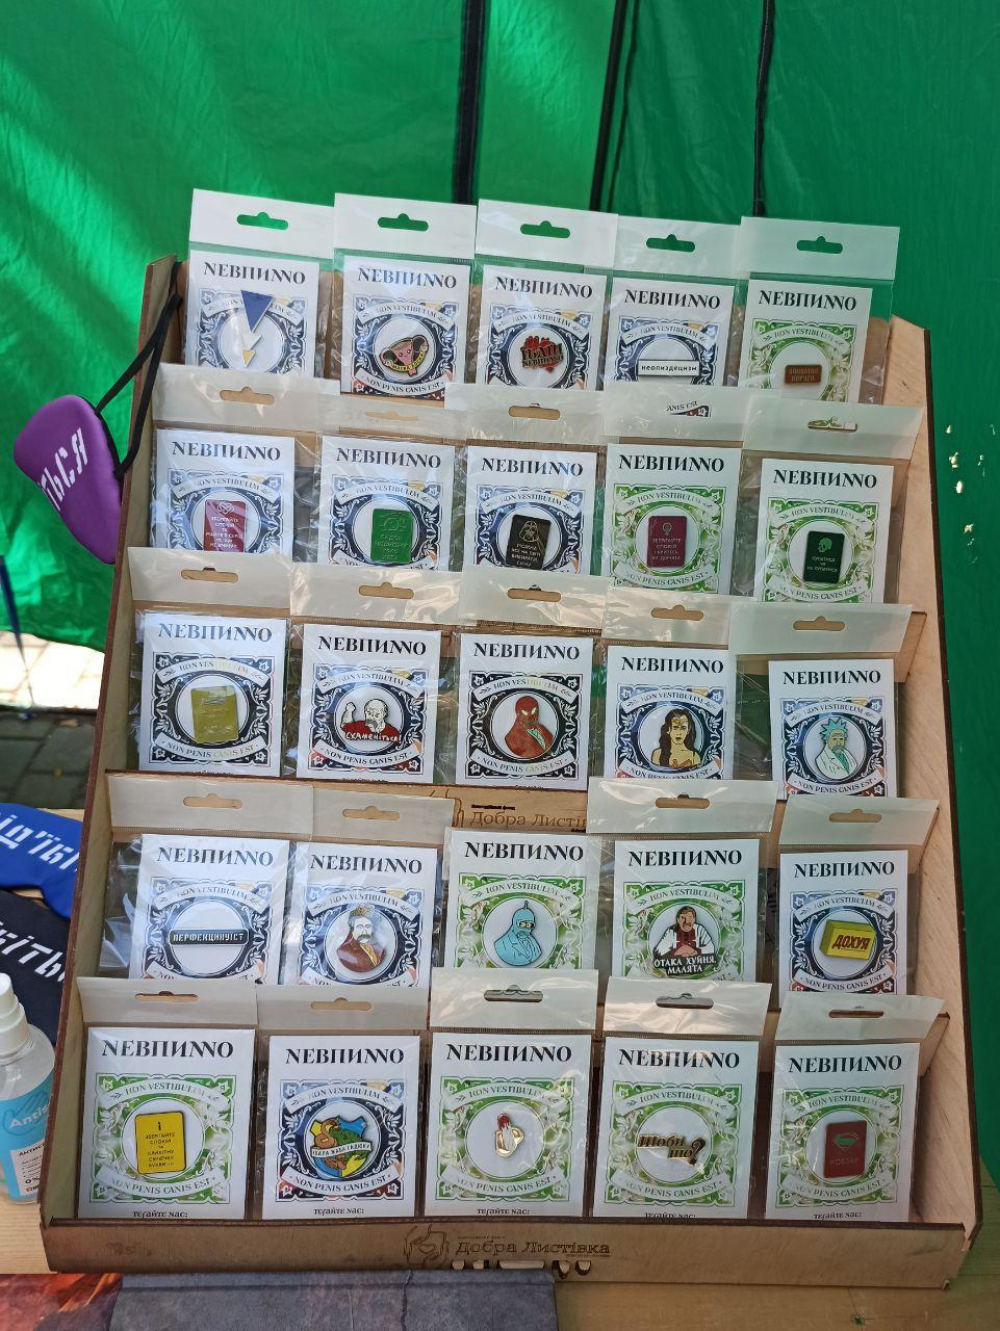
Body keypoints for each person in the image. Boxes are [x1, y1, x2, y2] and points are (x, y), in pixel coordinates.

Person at [336, 906, 385, 975]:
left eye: (368, 926)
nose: (364, 931)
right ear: (352, 929)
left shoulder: (378, 948)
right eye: (360, 927)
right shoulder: (344, 951)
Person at [493, 902, 544, 966]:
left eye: (529, 925)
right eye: (522, 924)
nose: (525, 929)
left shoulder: (533, 943)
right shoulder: (501, 944)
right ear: (515, 922)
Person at [813, 716, 860, 780]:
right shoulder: (821, 761)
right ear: (827, 740)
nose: (838, 743)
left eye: (841, 739)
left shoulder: (848, 755)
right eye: (834, 739)